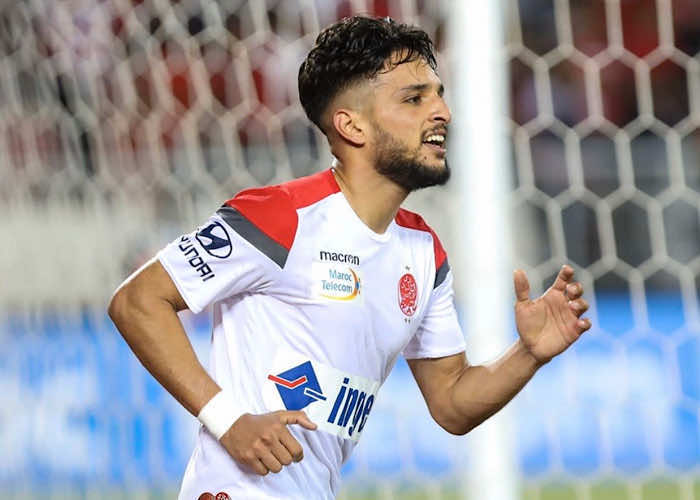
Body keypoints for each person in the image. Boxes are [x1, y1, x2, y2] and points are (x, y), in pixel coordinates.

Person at [108, 16, 591, 500]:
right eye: (414, 99)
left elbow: (451, 403)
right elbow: (137, 300)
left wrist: (527, 353)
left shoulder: (423, 252)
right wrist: (228, 420)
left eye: (438, 95)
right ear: (352, 125)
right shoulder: (282, 217)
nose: (442, 112)